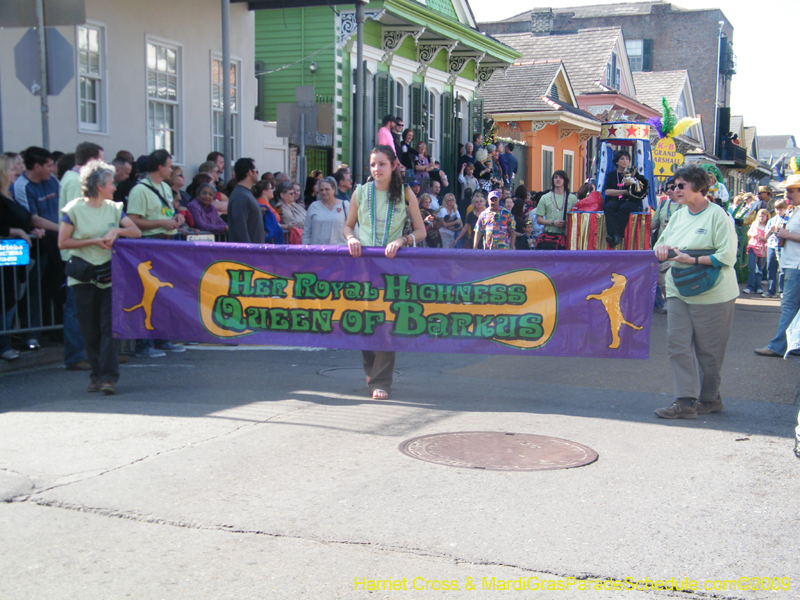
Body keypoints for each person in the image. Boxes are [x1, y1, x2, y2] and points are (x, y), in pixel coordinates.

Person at [653, 165, 738, 419]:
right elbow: (661, 244)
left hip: (713, 293)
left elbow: (727, 256)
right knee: (677, 345)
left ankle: (710, 398)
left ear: (699, 187)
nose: (675, 189)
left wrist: (692, 260)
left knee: (709, 353)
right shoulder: (678, 215)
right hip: (679, 289)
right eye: (674, 185)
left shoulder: (718, 216)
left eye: (681, 185)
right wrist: (661, 249)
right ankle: (686, 401)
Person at [342, 144, 425, 400]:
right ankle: (371, 369)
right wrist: (350, 239)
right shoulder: (360, 192)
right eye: (373, 164)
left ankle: (381, 381)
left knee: (388, 322)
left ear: (393, 165)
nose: (376, 169)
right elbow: (348, 225)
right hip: (364, 266)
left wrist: (403, 240)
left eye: (382, 164)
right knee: (366, 321)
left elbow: (421, 230)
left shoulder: (405, 192)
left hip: (392, 267)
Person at [58, 160, 141, 394]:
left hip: (109, 275)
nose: (114, 187)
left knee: (109, 327)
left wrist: (117, 230)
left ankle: (109, 378)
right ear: (98, 185)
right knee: (89, 329)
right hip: (83, 277)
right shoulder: (73, 209)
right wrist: (93, 241)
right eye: (110, 183)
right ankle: (97, 375)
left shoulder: (114, 208)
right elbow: (63, 242)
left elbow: (135, 231)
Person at [126, 149, 187, 358]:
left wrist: (177, 218)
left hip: (166, 242)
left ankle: (163, 337)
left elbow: (168, 211)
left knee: (164, 294)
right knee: (147, 294)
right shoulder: (140, 190)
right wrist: (160, 223)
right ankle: (144, 343)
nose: (171, 170)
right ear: (160, 167)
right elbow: (133, 220)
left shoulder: (165, 188)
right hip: (149, 242)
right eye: (169, 166)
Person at [755, 175, 800, 359]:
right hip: (792, 264)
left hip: (796, 266)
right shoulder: (794, 210)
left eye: (790, 190)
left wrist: (786, 234)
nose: (787, 194)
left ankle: (778, 346)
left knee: (789, 306)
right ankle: (793, 344)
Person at [603, 150, 648, 248]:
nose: (625, 161)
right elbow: (607, 192)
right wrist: (624, 191)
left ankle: (617, 235)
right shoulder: (611, 175)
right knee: (609, 207)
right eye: (622, 159)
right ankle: (614, 234)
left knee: (624, 208)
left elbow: (640, 189)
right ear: (617, 162)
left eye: (627, 159)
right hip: (616, 200)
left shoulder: (634, 174)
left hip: (630, 200)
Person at [535, 170, 578, 248]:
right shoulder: (545, 198)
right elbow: (539, 220)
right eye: (555, 177)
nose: (558, 179)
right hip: (549, 238)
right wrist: (553, 223)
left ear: (565, 181)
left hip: (566, 239)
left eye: (561, 177)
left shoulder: (572, 198)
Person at [227, 158, 264, 244]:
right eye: (256, 171)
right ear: (250, 172)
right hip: (247, 253)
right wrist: (248, 252)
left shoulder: (245, 194)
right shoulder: (241, 196)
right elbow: (240, 228)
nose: (258, 174)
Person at [302, 176, 348, 245]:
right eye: (321, 190)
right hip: (318, 251)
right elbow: (307, 232)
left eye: (327, 189)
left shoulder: (345, 205)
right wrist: (306, 250)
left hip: (340, 251)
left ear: (334, 189)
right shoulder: (313, 206)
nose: (324, 192)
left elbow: (353, 228)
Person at [763, 199, 789, 298]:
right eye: (777, 209)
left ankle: (782, 291)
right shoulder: (772, 220)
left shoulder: (788, 219)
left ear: (785, 209)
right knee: (771, 267)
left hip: (782, 246)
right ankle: (771, 290)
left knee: (782, 269)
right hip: (771, 245)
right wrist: (770, 229)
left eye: (781, 209)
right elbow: (766, 235)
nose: (779, 211)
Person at [743, 209, 770, 294]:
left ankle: (758, 286)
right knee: (751, 267)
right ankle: (750, 286)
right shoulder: (754, 224)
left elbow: (768, 238)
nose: (761, 218)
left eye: (763, 216)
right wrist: (753, 234)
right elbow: (749, 233)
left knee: (759, 269)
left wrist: (762, 238)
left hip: (763, 249)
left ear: (767, 217)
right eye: (760, 216)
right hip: (753, 247)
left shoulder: (768, 226)